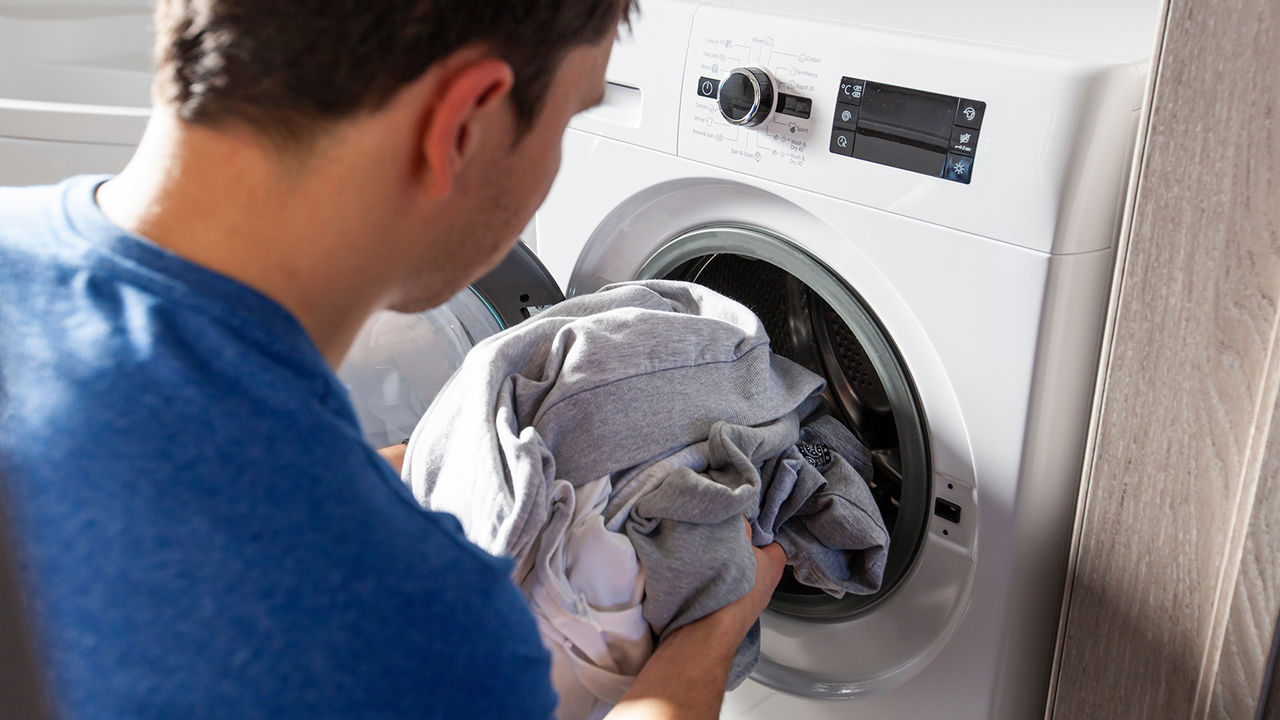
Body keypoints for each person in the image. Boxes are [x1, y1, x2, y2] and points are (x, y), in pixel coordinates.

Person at [0, 1, 787, 719]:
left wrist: (399, 470)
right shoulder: (424, 637)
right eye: (569, 120)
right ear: (462, 125)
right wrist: (715, 625)